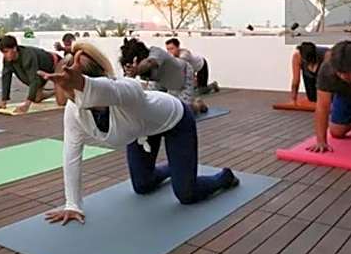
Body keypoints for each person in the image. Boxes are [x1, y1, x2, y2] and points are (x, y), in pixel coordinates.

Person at [41, 42, 238, 225]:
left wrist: (83, 83)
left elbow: (108, 89)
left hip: (175, 120)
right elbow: (71, 154)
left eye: (75, 88)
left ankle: (225, 177)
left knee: (187, 194)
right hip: (141, 129)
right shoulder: (74, 109)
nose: (71, 97)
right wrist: (72, 204)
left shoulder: (128, 90)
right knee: (142, 185)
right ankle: (175, 167)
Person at [119, 38, 206, 113]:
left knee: (185, 111)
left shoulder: (156, 52)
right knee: (149, 102)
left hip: (184, 74)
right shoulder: (136, 66)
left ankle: (198, 104)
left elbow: (150, 63)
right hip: (160, 81)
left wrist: (136, 70)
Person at [0, 35, 66, 114]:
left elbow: (34, 80)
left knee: (61, 102)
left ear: (14, 48)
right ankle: (56, 91)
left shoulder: (28, 56)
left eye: (6, 51)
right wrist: (3, 101)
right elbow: (6, 78)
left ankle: (64, 90)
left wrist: (27, 105)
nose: (4, 55)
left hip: (57, 63)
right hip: (42, 71)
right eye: (2, 52)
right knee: (36, 98)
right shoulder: (7, 59)